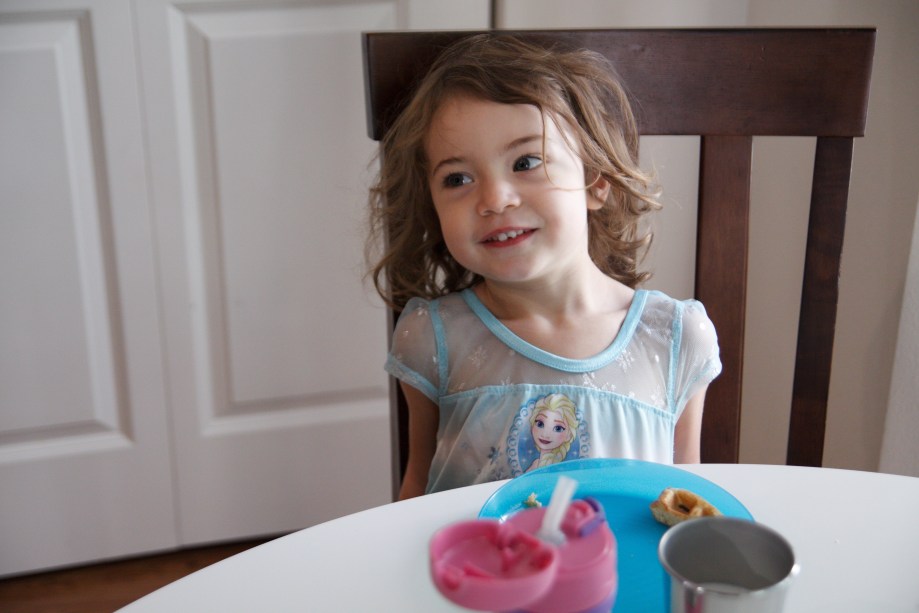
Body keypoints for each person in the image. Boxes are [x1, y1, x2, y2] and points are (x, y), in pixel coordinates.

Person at [367, 34, 721, 499]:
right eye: (458, 178)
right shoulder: (433, 339)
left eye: (526, 162)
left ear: (594, 180)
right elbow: (416, 490)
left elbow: (687, 499)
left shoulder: (674, 338)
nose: (495, 199)